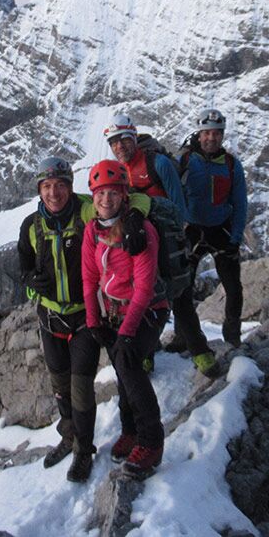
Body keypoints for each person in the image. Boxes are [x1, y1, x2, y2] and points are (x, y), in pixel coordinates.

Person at [17, 157, 151, 483]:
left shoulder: (86, 211)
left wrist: (135, 217)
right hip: (50, 317)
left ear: (70, 186)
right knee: (60, 388)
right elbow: (23, 267)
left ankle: (83, 450)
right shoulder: (31, 226)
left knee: (80, 389)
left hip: (84, 317)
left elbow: (135, 198)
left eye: (60, 185)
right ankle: (69, 436)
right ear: (39, 190)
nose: (54, 193)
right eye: (47, 186)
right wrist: (31, 282)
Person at [105, 114, 221, 377]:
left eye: (124, 139)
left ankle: (200, 351)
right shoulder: (118, 171)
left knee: (180, 295)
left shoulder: (158, 164)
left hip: (169, 241)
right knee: (142, 298)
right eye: (114, 142)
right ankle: (147, 353)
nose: (119, 146)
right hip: (139, 243)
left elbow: (178, 207)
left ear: (134, 138)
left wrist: (175, 236)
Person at [82, 160, 170, 479]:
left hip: (148, 310)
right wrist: (94, 320)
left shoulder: (140, 231)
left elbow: (144, 287)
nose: (106, 200)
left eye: (113, 193)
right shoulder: (93, 230)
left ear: (124, 195)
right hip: (114, 312)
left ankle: (151, 441)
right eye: (100, 193)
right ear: (93, 197)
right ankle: (130, 431)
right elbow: (89, 277)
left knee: (129, 365)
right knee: (122, 370)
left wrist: (128, 332)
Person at [177, 108, 248, 352]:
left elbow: (240, 203)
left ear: (222, 135)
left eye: (216, 133)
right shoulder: (185, 161)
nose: (211, 138)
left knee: (233, 288)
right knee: (182, 288)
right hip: (192, 228)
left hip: (221, 230)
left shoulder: (231, 165)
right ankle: (183, 337)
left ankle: (232, 337)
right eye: (207, 133)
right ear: (199, 134)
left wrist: (235, 238)